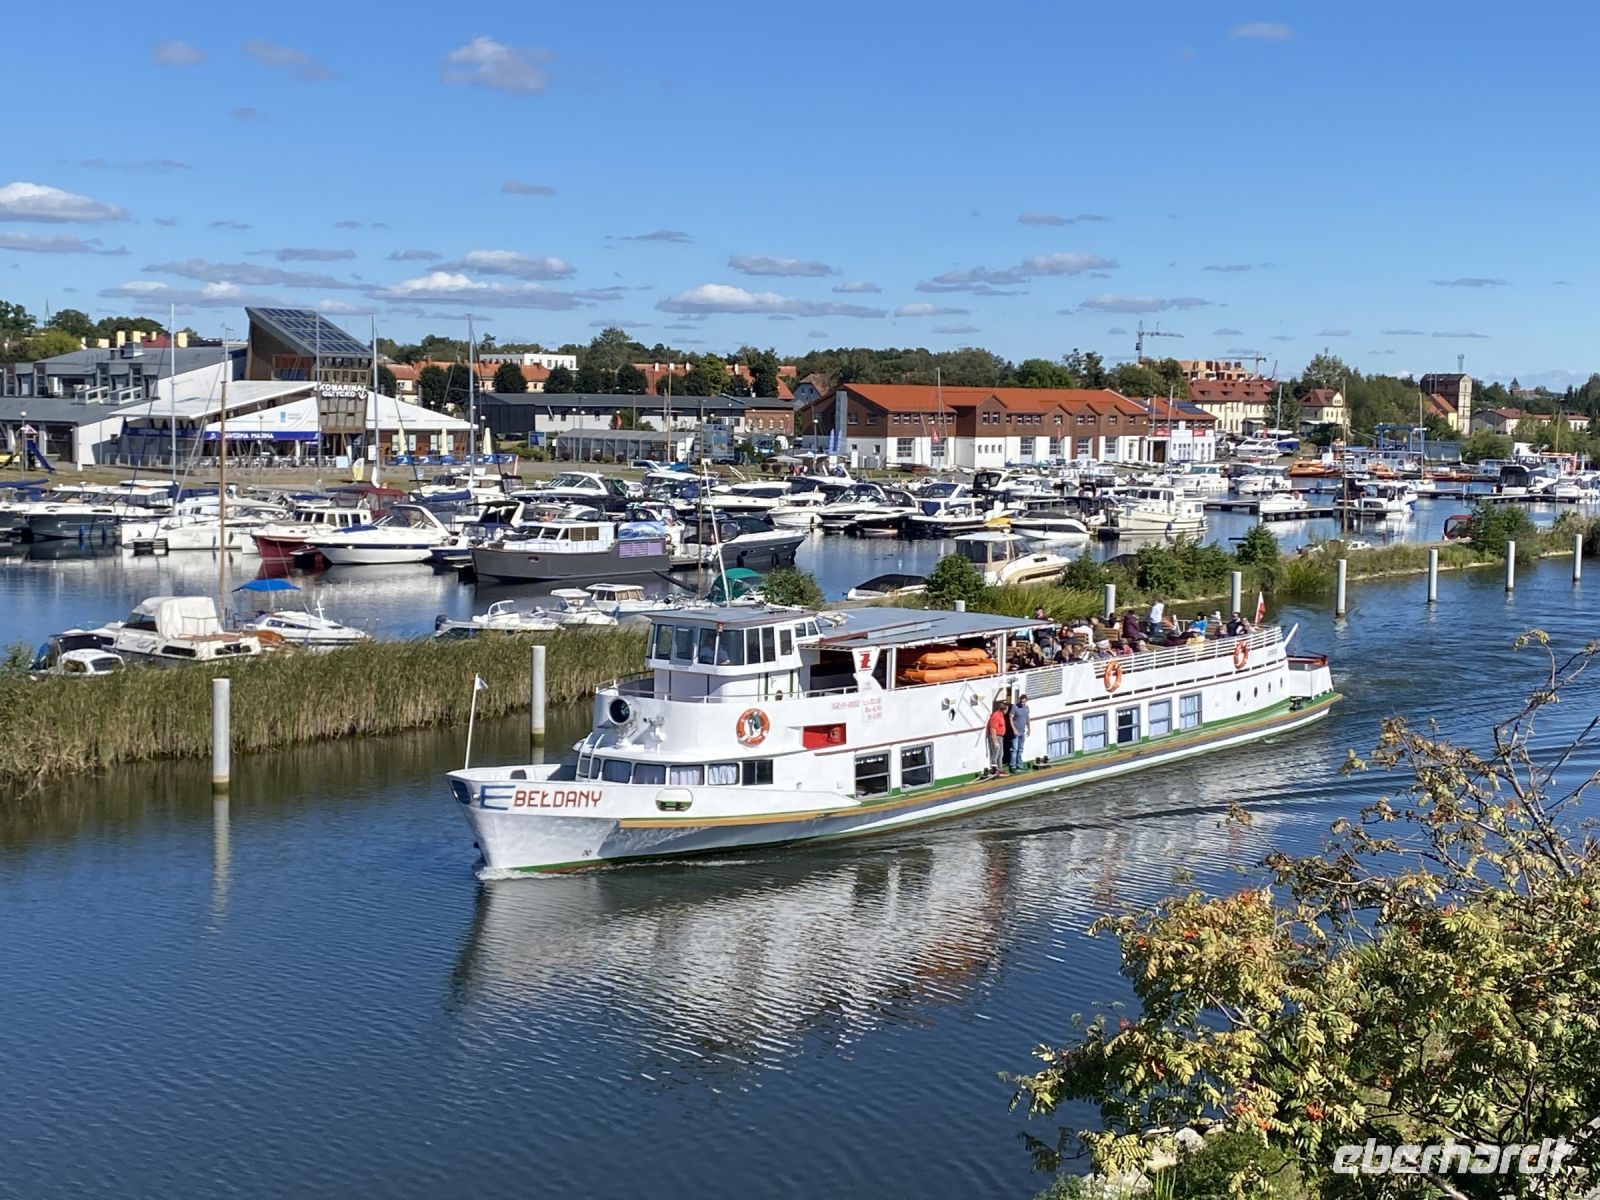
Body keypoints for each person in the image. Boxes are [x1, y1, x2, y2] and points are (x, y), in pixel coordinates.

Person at [1009, 693, 1031, 772]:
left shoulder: (1026, 707)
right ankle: (1013, 766)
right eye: (1021, 701)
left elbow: (1027, 718)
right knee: (1014, 749)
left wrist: (1029, 729)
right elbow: (1010, 718)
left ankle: (1019, 765)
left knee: (1020, 749)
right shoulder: (1014, 707)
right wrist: (1014, 729)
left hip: (1022, 732)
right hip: (1016, 732)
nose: (1022, 703)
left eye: (1024, 702)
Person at [986, 701, 1008, 777]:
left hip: (1000, 737)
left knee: (1000, 754)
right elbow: (992, 729)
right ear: (1004, 709)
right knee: (995, 755)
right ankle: (994, 771)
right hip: (996, 737)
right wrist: (995, 742)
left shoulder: (1001, 715)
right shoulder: (996, 716)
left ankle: (1000, 769)